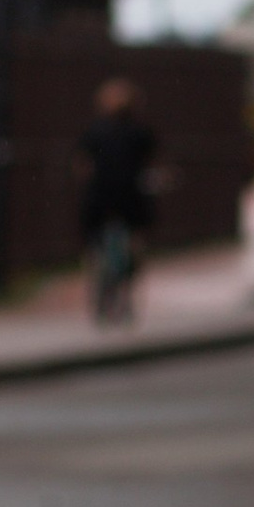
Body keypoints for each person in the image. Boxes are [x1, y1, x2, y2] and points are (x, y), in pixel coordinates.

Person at [77, 78, 158, 327]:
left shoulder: (94, 132)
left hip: (101, 198)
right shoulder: (139, 132)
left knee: (97, 248)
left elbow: (82, 166)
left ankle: (102, 295)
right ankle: (123, 297)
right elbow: (152, 165)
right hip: (128, 199)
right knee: (133, 247)